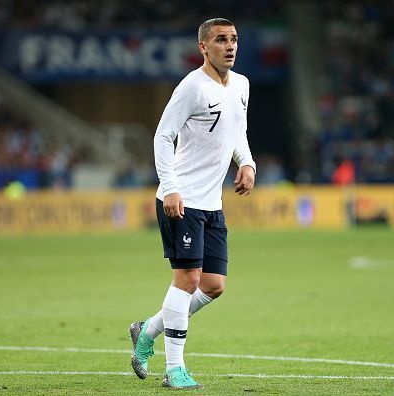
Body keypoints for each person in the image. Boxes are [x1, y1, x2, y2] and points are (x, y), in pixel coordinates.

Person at [129, 17, 256, 390]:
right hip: (180, 199)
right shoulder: (192, 87)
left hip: (211, 203)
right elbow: (163, 136)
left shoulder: (242, 85)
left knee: (214, 285)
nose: (229, 46)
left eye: (233, 39)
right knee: (187, 281)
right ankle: (174, 370)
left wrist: (246, 162)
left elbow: (238, 132)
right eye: (221, 40)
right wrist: (169, 187)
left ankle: (146, 330)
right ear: (203, 47)